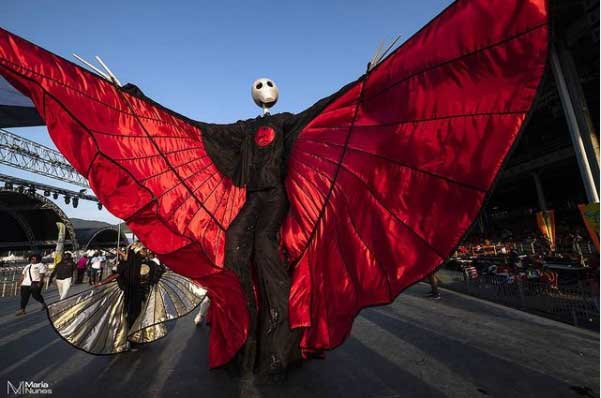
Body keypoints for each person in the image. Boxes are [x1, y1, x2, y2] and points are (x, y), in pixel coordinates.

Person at [46, 243, 207, 354]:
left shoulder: (132, 265)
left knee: (128, 317)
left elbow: (118, 275)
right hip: (140, 296)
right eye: (142, 251)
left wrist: (103, 282)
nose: (144, 253)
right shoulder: (148, 265)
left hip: (129, 296)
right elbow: (157, 274)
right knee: (137, 316)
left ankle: (130, 340)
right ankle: (135, 339)